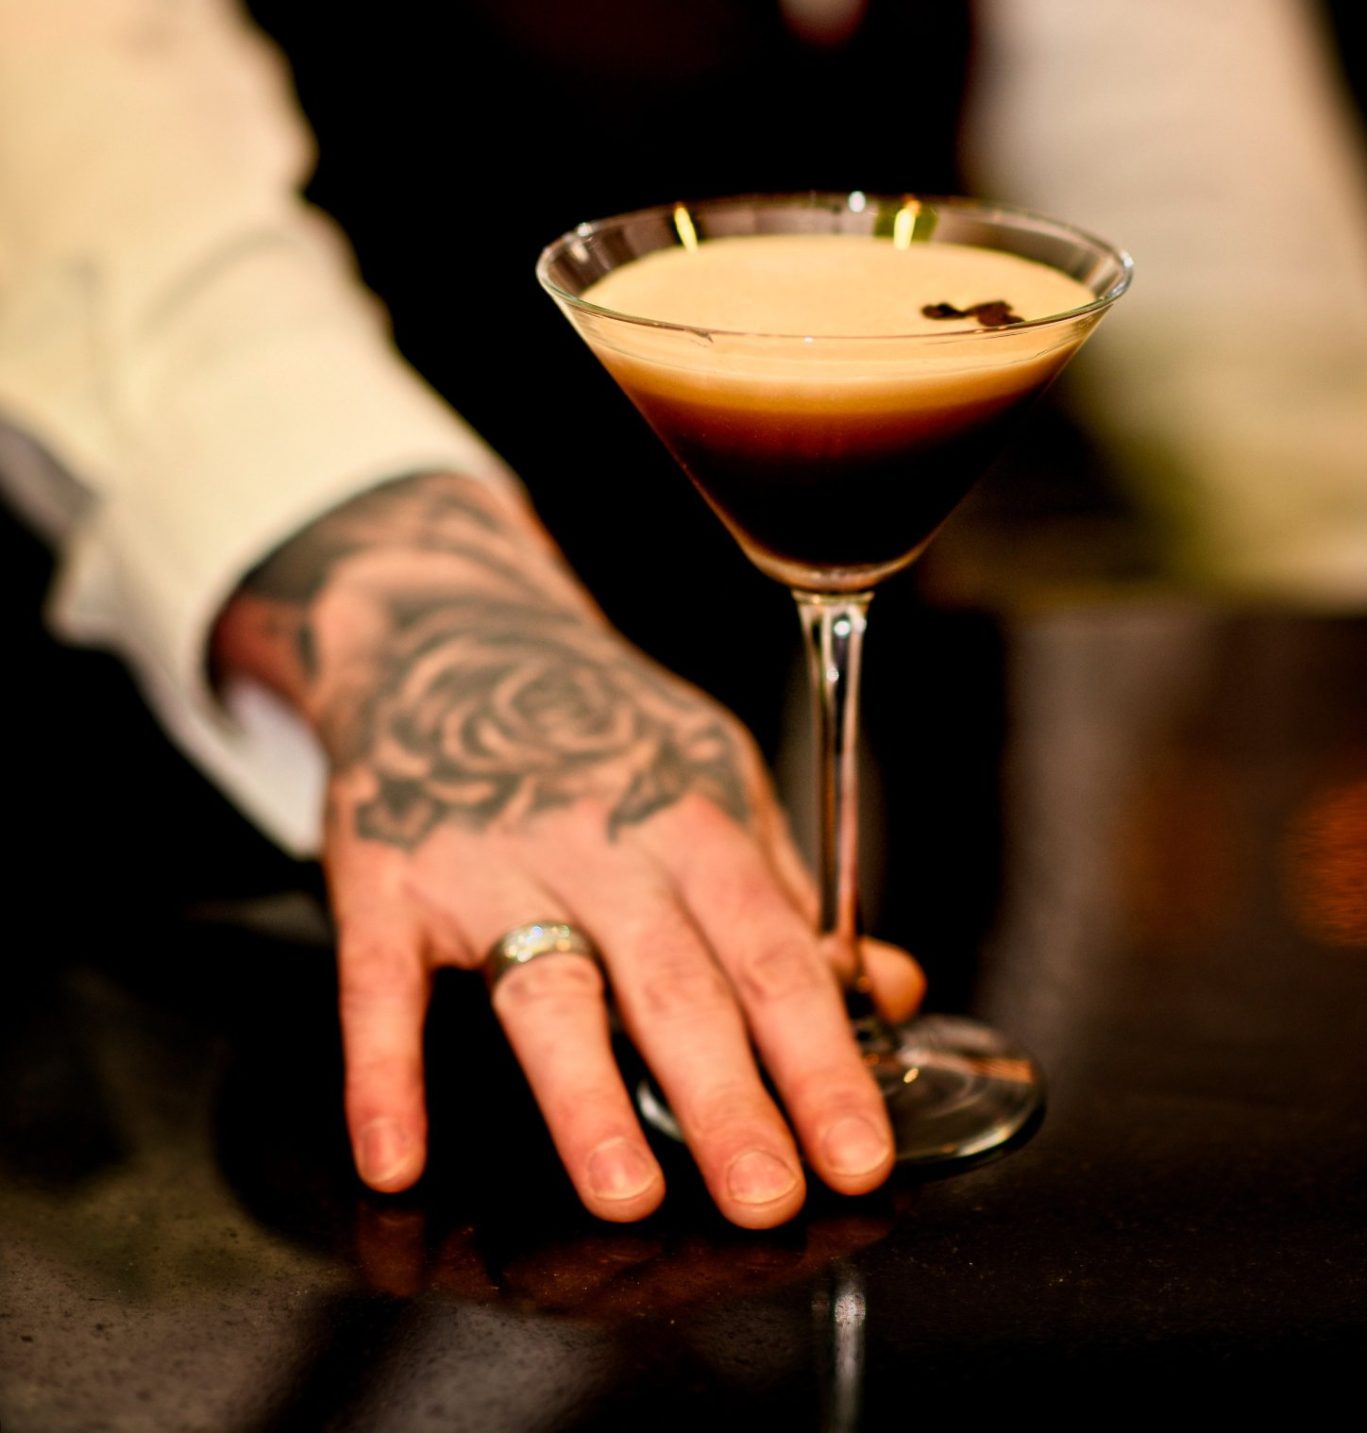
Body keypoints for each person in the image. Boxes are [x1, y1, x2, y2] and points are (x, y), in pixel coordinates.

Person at [1, 0, 1362, 1228]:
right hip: (195, 835)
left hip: (770, 739)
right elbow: (64, 90)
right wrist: (397, 588)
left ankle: (831, 984)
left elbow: (1244, 277)